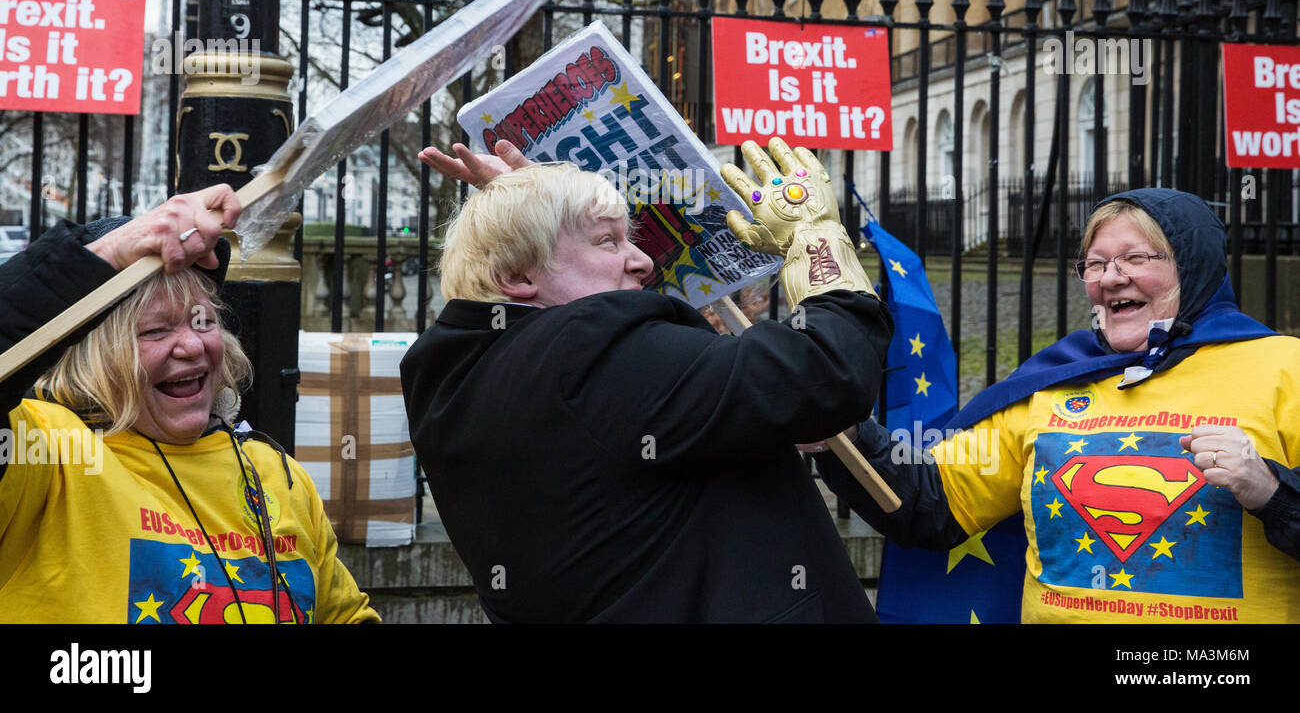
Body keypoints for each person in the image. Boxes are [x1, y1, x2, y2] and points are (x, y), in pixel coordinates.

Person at [401, 138, 893, 622]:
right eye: (608, 241)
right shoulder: (588, 349)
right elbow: (827, 372)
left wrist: (530, 216)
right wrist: (817, 236)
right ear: (515, 274)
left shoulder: (451, 375)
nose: (643, 261)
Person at [816, 187, 1300, 622]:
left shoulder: (1284, 369)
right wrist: (837, 426)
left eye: (1135, 257)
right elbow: (932, 501)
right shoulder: (1054, 382)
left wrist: (1272, 493)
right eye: (1095, 262)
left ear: (1193, 266)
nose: (1111, 278)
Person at [0, 185, 379, 623]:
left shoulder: (276, 473)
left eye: (203, 321)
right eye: (156, 331)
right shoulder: (45, 450)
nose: (191, 346)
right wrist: (107, 254)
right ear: (92, 356)